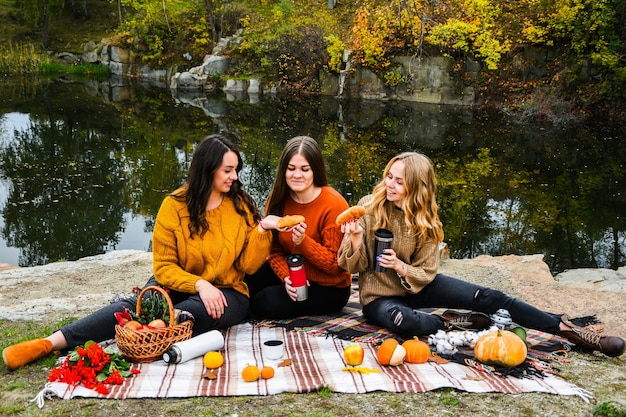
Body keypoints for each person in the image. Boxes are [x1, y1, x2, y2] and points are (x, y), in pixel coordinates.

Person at [3, 134, 283, 370]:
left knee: (187, 314)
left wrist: (262, 232)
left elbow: (247, 265)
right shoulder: (174, 207)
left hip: (226, 293)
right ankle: (50, 343)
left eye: (236, 170)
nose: (234, 177)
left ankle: (149, 334)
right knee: (134, 308)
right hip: (178, 285)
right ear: (207, 169)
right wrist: (199, 283)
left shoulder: (240, 207)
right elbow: (163, 269)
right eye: (227, 170)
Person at [337, 151, 625, 357]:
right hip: (380, 298)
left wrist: (401, 267)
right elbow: (348, 264)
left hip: (417, 286)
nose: (390, 184)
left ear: (416, 188)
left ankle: (568, 330)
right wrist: (356, 239)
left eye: (399, 181)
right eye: (389, 176)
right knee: (408, 323)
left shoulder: (427, 221)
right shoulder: (369, 208)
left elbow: (426, 272)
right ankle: (450, 321)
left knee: (492, 298)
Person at [244, 136, 352, 319]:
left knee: (264, 302)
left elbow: (336, 266)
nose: (297, 175)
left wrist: (303, 243)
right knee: (246, 281)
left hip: (329, 287)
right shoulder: (278, 199)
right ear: (284, 170)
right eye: (291, 168)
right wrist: (287, 277)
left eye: (304, 169)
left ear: (315, 171)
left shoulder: (333, 204)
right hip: (295, 272)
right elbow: (275, 252)